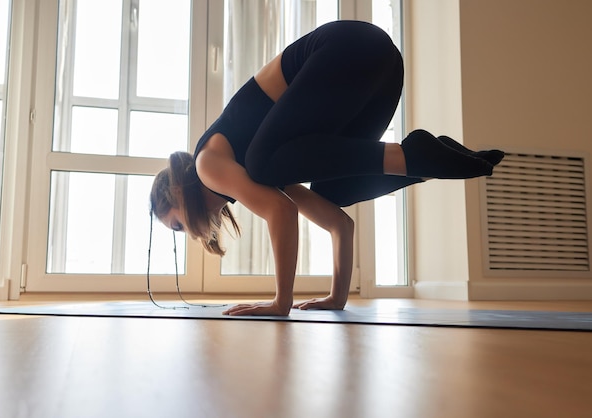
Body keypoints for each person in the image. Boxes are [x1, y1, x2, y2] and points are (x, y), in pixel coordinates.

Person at [150, 20, 504, 316]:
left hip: (347, 50)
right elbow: (339, 224)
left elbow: (281, 213)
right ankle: (427, 161)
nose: (190, 233)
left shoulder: (208, 164)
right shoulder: (262, 170)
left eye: (178, 224)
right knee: (334, 191)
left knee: (262, 162)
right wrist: (337, 298)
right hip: (378, 68)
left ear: (178, 191)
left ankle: (411, 156)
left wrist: (280, 303)